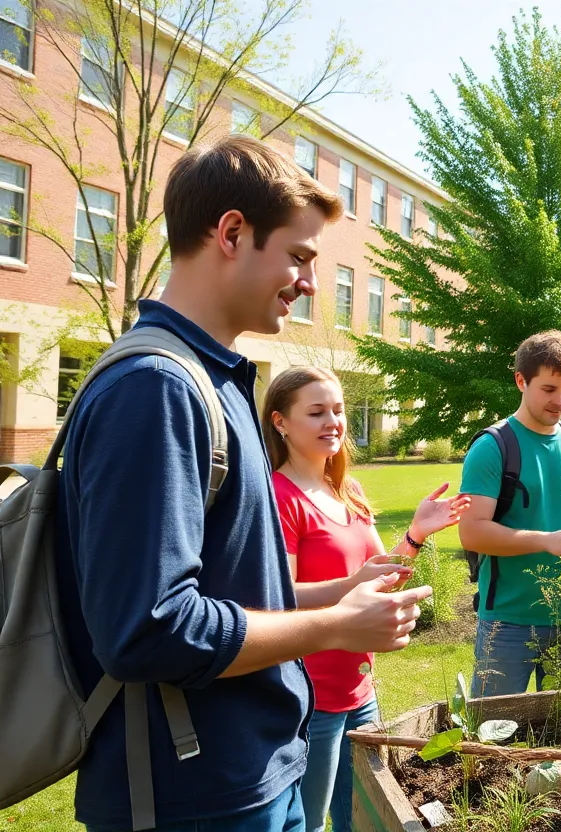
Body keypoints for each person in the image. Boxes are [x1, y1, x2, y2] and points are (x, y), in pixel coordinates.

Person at [54, 136, 433, 832]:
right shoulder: (155, 389)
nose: (311, 283)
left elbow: (229, 586)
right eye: (298, 256)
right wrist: (334, 626)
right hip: (191, 799)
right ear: (231, 233)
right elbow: (148, 629)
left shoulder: (214, 378)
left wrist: (339, 592)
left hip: (256, 773)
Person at [262, 367, 470, 832]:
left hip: (360, 688)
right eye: (316, 412)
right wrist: (352, 583)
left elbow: (381, 576)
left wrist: (416, 533)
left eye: (337, 410)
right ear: (280, 422)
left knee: (364, 816)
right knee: (309, 821)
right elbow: (279, 597)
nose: (333, 421)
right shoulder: (280, 497)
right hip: (310, 694)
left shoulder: (348, 490)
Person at [459, 331, 561, 696]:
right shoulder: (493, 447)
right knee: (493, 739)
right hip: (507, 623)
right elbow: (472, 533)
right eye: (549, 389)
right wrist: (546, 541)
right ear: (520, 380)